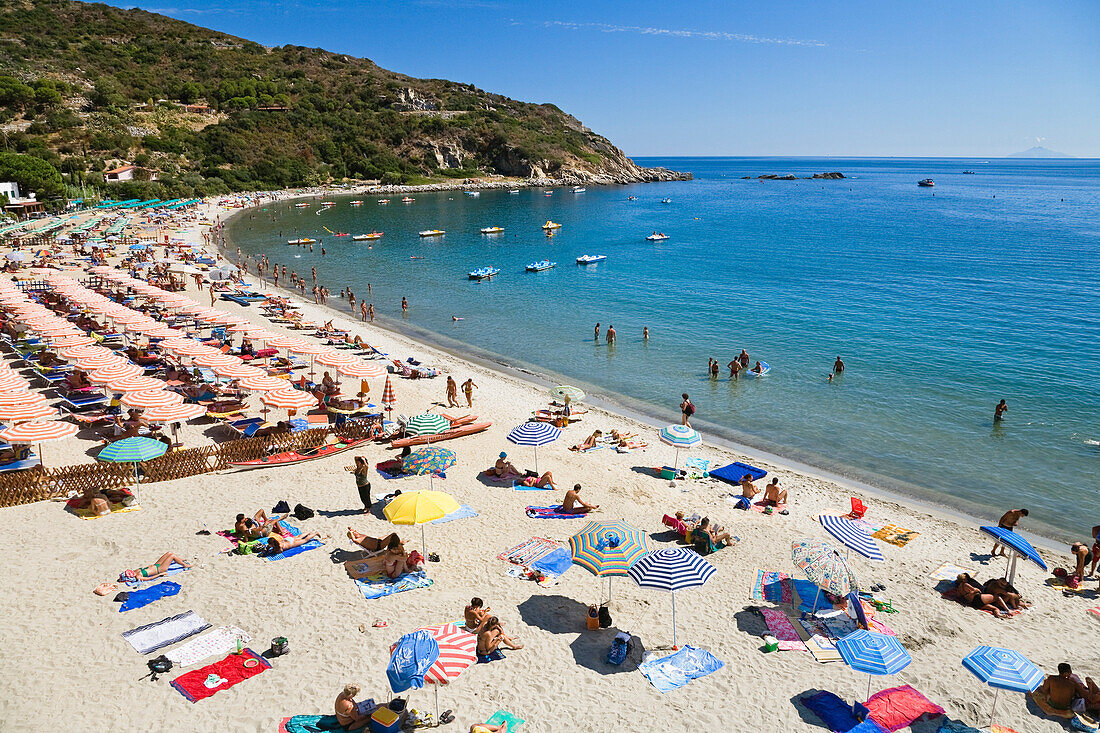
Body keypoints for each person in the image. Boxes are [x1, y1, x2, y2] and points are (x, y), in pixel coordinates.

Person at [120, 552, 191, 582]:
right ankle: (184, 565)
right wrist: (160, 574)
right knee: (172, 556)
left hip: (156, 565)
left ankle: (179, 560)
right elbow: (149, 578)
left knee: (169, 553)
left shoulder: (135, 571)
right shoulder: (138, 577)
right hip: (160, 569)